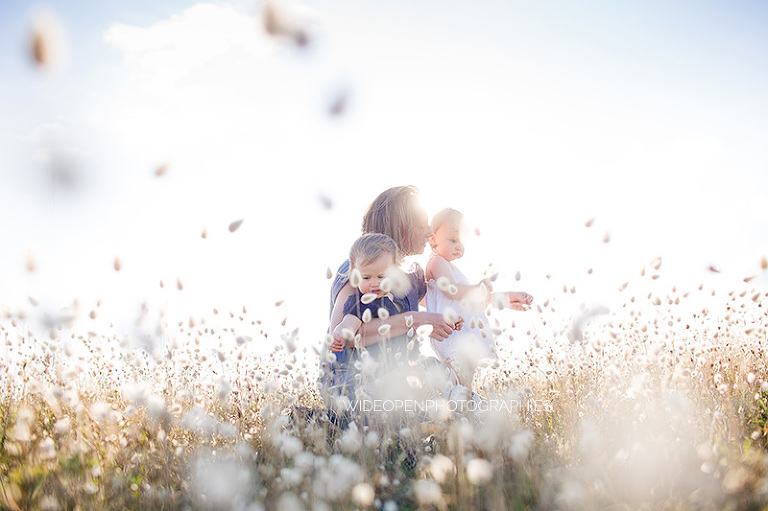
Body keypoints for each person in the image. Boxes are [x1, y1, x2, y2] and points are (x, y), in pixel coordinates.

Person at [320, 186, 459, 407]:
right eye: (422, 226)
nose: (430, 234)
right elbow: (341, 340)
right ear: (399, 228)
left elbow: (448, 298)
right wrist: (415, 319)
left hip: (395, 378)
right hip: (353, 384)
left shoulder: (412, 277)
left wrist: (500, 298)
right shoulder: (359, 271)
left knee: (443, 374)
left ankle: (459, 411)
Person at [425, 208, 533, 389]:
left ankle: (461, 410)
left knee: (465, 381)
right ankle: (450, 407)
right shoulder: (437, 262)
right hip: (454, 335)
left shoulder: (449, 268)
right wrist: (477, 288)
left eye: (462, 242)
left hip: (463, 334)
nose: (459, 246)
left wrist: (504, 298)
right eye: (453, 240)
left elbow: (467, 302)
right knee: (455, 377)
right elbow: (451, 290)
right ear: (433, 239)